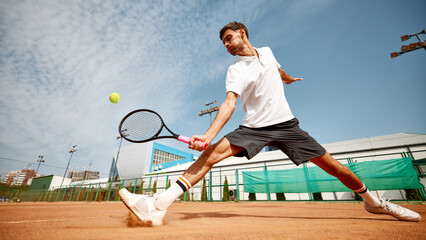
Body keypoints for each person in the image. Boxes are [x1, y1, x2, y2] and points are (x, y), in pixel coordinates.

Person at [119, 22, 421, 226]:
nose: (226, 44)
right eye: (223, 42)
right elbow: (229, 104)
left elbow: (276, 69)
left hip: (287, 126)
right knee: (209, 155)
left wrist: (288, 78)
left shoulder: (266, 51)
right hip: (254, 128)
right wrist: (209, 134)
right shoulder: (234, 71)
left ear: (242, 33)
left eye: (228, 38)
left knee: (334, 167)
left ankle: (374, 202)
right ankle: (158, 207)